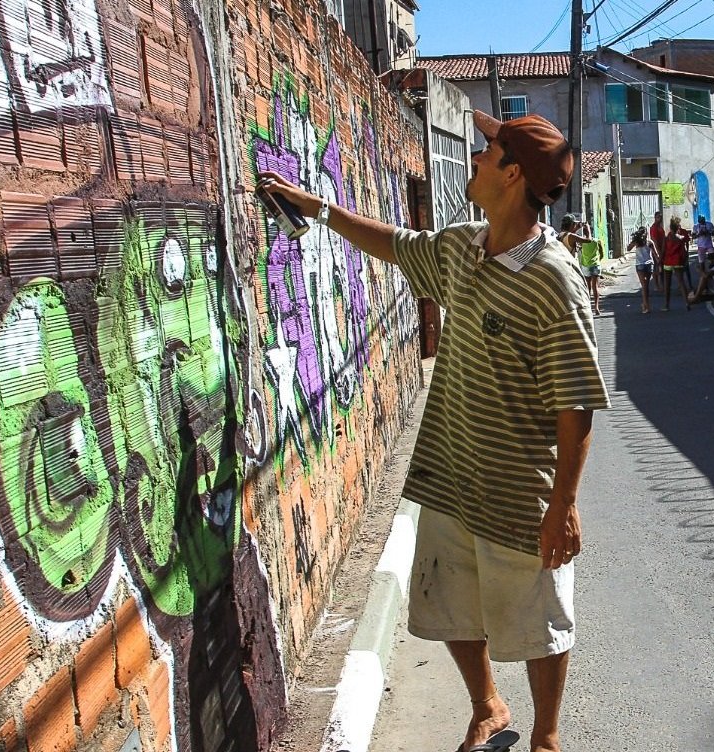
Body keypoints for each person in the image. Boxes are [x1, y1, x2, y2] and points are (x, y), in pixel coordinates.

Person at [258, 110, 607, 752]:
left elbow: (576, 402)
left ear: (511, 173)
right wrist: (320, 208)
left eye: (487, 149)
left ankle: (548, 735)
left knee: (538, 621)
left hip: (518, 490)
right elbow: (395, 242)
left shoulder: (555, 282)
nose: (475, 157)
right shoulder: (461, 248)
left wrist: (565, 503)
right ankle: (488, 707)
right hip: (450, 474)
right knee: (448, 605)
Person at [559, 215, 601, 314]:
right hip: (572, 268)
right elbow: (588, 240)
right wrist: (587, 230)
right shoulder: (572, 236)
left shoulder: (561, 235)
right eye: (574, 224)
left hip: (564, 265)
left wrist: (576, 227)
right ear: (571, 225)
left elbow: (570, 237)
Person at [660, 215, 693, 311]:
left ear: (670, 228)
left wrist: (659, 261)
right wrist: (685, 259)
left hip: (667, 262)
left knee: (667, 284)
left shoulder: (666, 238)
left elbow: (663, 251)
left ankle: (666, 305)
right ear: (678, 227)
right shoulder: (680, 238)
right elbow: (684, 250)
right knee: (681, 282)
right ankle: (687, 302)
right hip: (678, 261)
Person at [628, 228, 654, 313]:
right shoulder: (649, 242)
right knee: (646, 286)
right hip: (649, 265)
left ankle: (646, 306)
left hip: (640, 266)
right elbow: (656, 254)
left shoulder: (637, 242)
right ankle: (645, 305)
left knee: (644, 286)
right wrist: (659, 263)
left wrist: (634, 240)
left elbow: (628, 248)